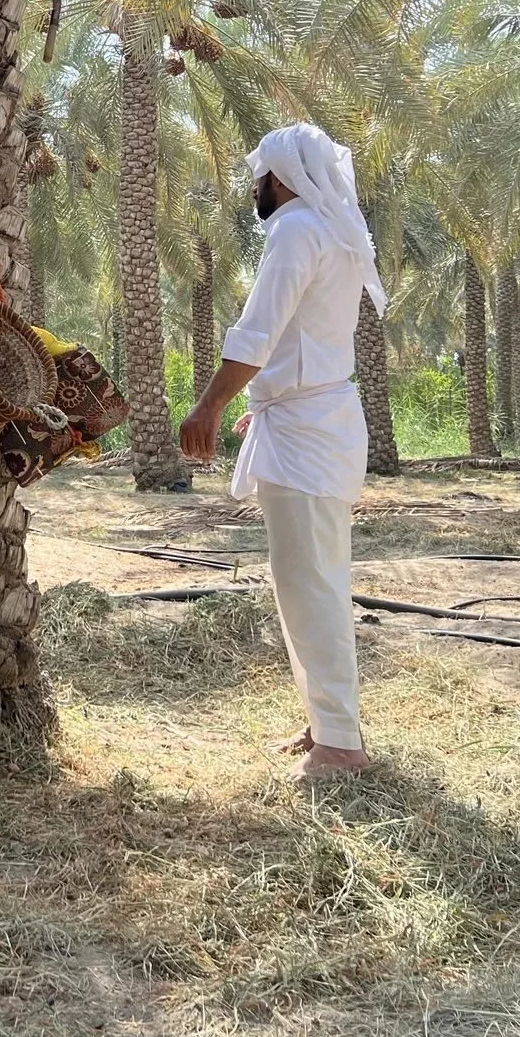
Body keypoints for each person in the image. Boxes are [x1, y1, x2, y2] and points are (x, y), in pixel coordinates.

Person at [178, 124, 384, 782]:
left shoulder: (296, 229)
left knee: (310, 585)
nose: (254, 188)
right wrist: (259, 406)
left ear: (280, 177)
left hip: (308, 436)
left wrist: (208, 404)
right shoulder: (335, 232)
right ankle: (327, 724)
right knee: (310, 581)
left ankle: (342, 746)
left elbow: (257, 335)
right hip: (317, 423)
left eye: (258, 176)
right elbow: (303, 344)